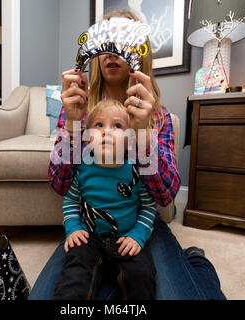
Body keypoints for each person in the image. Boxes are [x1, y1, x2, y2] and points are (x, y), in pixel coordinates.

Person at [29, 9, 226, 300]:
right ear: (96, 52)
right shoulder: (78, 111)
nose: (113, 51)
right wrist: (71, 125)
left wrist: (144, 133)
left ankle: (196, 262)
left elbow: (165, 198)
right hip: (90, 226)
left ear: (139, 53)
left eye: (123, 41)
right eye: (106, 41)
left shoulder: (158, 117)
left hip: (138, 224)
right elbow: (60, 186)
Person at [52, 100, 157, 300]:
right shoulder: (82, 166)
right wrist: (73, 228)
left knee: (143, 277)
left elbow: (149, 206)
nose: (106, 132)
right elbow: (71, 200)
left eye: (117, 126)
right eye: (99, 125)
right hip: (89, 238)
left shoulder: (136, 168)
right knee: (73, 280)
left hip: (127, 238)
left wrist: (138, 235)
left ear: (129, 139)